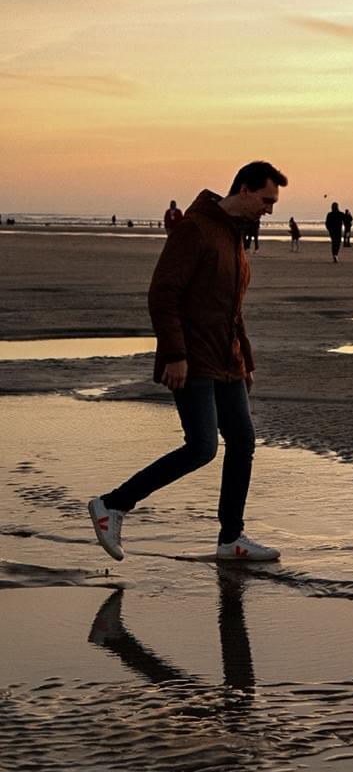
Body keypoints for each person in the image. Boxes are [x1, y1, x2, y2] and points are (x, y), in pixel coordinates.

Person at [87, 160, 288, 563]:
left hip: (226, 357)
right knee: (201, 447)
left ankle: (232, 539)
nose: (269, 210)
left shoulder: (235, 235)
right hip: (193, 357)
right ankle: (113, 505)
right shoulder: (194, 229)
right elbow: (163, 295)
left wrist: (245, 359)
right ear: (244, 190)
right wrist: (175, 354)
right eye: (266, 200)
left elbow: (233, 308)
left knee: (243, 441)